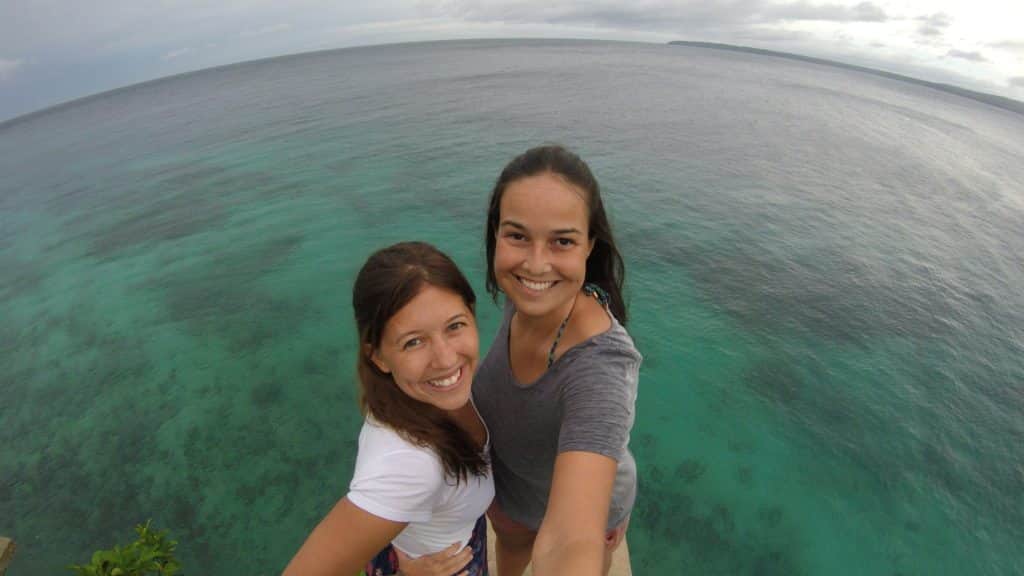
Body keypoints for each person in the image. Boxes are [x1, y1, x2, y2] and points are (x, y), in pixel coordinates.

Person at [476, 145, 640, 575]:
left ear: (589, 246)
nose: (535, 264)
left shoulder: (601, 368)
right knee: (511, 551)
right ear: (496, 233)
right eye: (517, 236)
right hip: (512, 491)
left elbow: (572, 539)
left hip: (592, 506)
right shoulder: (524, 297)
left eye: (562, 241)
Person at [283, 242, 493, 576]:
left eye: (454, 325)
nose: (446, 359)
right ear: (378, 356)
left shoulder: (424, 396)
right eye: (414, 342)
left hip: (450, 540)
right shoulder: (410, 464)